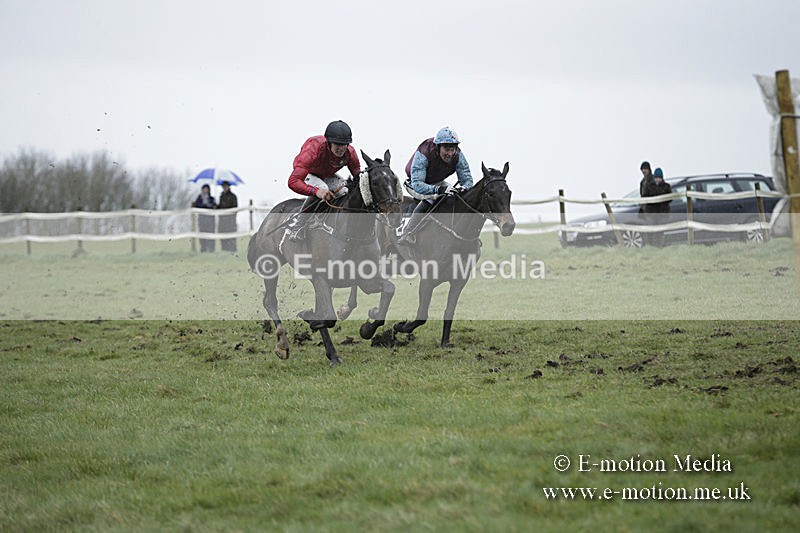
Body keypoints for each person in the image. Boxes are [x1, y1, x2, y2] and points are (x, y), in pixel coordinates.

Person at [285, 120, 361, 241]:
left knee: (345, 191)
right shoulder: (313, 149)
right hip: (307, 173)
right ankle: (297, 227)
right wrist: (316, 192)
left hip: (326, 175)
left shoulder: (350, 153)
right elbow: (293, 181)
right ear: (329, 143)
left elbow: (357, 175)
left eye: (344, 144)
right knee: (323, 188)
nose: (341, 149)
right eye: (337, 144)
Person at [397, 126, 474, 244]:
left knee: (454, 196)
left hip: (437, 182)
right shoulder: (424, 152)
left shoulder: (458, 155)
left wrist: (463, 189)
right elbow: (418, 185)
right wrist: (439, 190)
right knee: (431, 198)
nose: (450, 153)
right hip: (415, 183)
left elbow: (467, 180)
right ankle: (407, 233)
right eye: (446, 149)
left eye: (452, 149)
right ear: (438, 147)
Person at [642, 167, 672, 247]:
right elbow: (645, 198)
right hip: (651, 213)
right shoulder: (648, 186)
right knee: (651, 230)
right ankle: (650, 246)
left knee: (660, 231)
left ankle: (659, 246)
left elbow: (670, 199)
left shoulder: (667, 186)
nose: (658, 179)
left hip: (662, 213)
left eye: (659, 178)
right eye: (656, 178)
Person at [194, 184, 216, 252]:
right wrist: (203, 205)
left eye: (207, 189)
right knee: (202, 235)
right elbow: (196, 205)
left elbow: (213, 207)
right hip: (202, 220)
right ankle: (203, 249)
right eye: (204, 189)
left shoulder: (212, 199)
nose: (205, 190)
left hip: (210, 221)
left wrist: (210, 205)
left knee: (211, 235)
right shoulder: (199, 198)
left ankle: (211, 249)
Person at [217, 180, 238, 252]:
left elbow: (234, 208)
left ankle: (232, 251)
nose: (224, 187)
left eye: (226, 186)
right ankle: (224, 250)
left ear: (228, 187)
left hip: (230, 221)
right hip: (222, 221)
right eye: (223, 186)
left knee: (231, 237)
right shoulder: (221, 196)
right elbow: (220, 208)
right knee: (223, 237)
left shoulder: (233, 196)